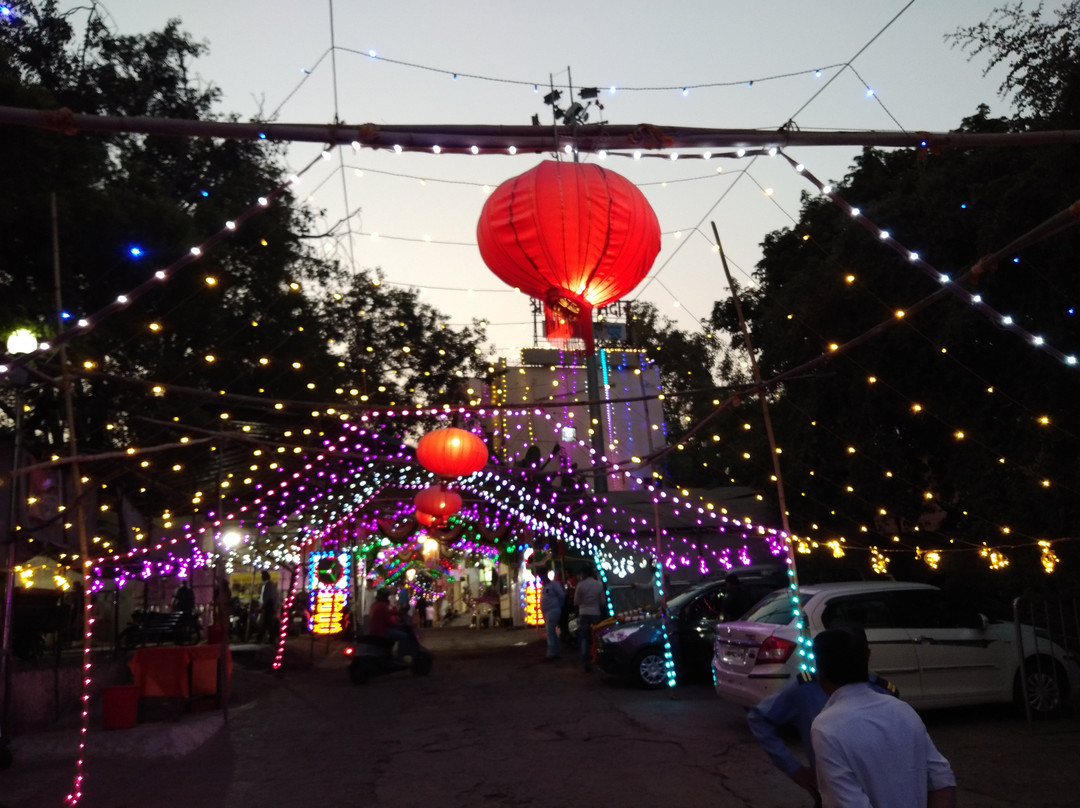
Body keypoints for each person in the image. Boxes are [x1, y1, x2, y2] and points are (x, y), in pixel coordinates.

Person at [747, 626, 899, 806]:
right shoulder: (806, 689)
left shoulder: (884, 693)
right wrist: (793, 768)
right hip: (829, 793)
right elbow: (759, 718)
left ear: (866, 654)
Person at [811, 628, 957, 808]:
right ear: (867, 659)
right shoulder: (901, 710)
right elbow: (942, 779)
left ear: (820, 671)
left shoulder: (826, 727)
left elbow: (848, 803)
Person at [368, 587, 415, 660]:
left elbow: (390, 613)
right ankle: (399, 657)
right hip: (382, 631)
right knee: (403, 636)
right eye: (387, 596)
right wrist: (399, 625)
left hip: (376, 630)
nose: (388, 598)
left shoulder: (375, 604)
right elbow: (388, 621)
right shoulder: (383, 605)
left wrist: (398, 613)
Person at [573, 567, 604, 672]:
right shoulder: (599, 585)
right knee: (597, 638)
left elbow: (576, 601)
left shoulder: (580, 585)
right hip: (595, 613)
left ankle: (585, 661)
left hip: (584, 612)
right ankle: (598, 659)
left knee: (584, 638)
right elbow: (602, 602)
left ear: (585, 573)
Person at [539, 567, 565, 661]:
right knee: (552, 632)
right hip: (548, 612)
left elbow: (562, 595)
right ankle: (556, 652)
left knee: (550, 632)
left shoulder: (554, 585)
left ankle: (551, 653)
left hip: (553, 610)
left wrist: (559, 605)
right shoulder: (545, 587)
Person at [258, 570, 278, 643]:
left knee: (267, 623)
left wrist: (263, 606)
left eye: (262, 576)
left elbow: (268, 597)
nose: (261, 577)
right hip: (269, 605)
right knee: (266, 623)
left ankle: (264, 638)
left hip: (269, 606)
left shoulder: (268, 585)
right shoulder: (269, 584)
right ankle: (261, 638)